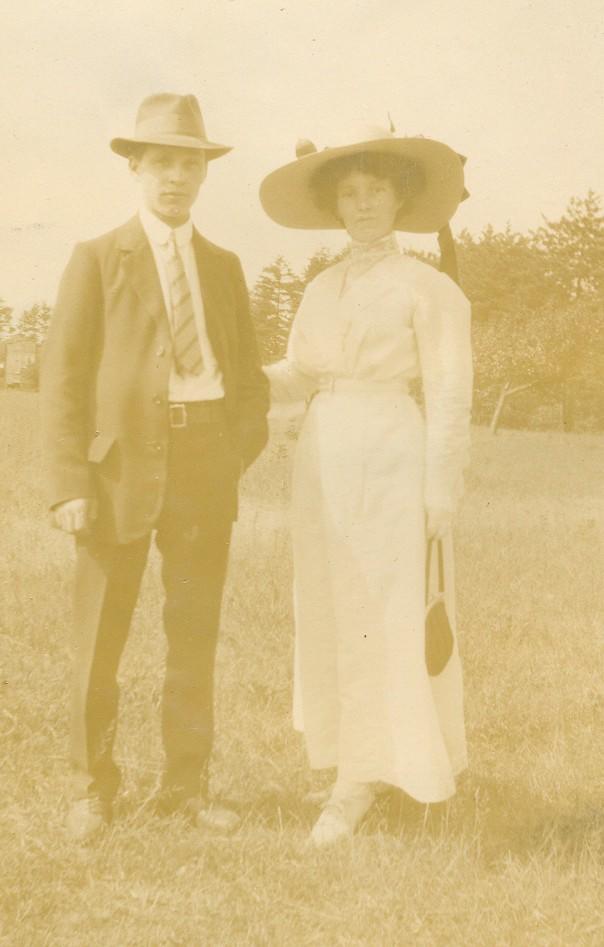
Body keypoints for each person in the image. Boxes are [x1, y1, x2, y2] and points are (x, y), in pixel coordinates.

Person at [41, 93, 268, 841]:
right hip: (115, 476)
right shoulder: (98, 258)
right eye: (162, 162)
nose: (176, 177)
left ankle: (187, 786)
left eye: (190, 163)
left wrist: (233, 451)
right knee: (100, 635)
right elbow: (65, 380)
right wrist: (70, 484)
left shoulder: (225, 266)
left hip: (206, 463)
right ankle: (88, 787)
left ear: (204, 174)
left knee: (194, 631)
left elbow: (249, 379)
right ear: (135, 168)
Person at [259, 125, 473, 846]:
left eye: (374, 191)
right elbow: (299, 374)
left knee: (386, 609)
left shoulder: (428, 288)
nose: (361, 205)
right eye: (348, 194)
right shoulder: (321, 287)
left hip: (390, 456)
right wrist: (225, 380)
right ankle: (352, 759)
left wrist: (440, 492)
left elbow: (449, 394)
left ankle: (376, 773)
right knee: (330, 603)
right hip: (323, 455)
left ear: (399, 199)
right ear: (335, 206)